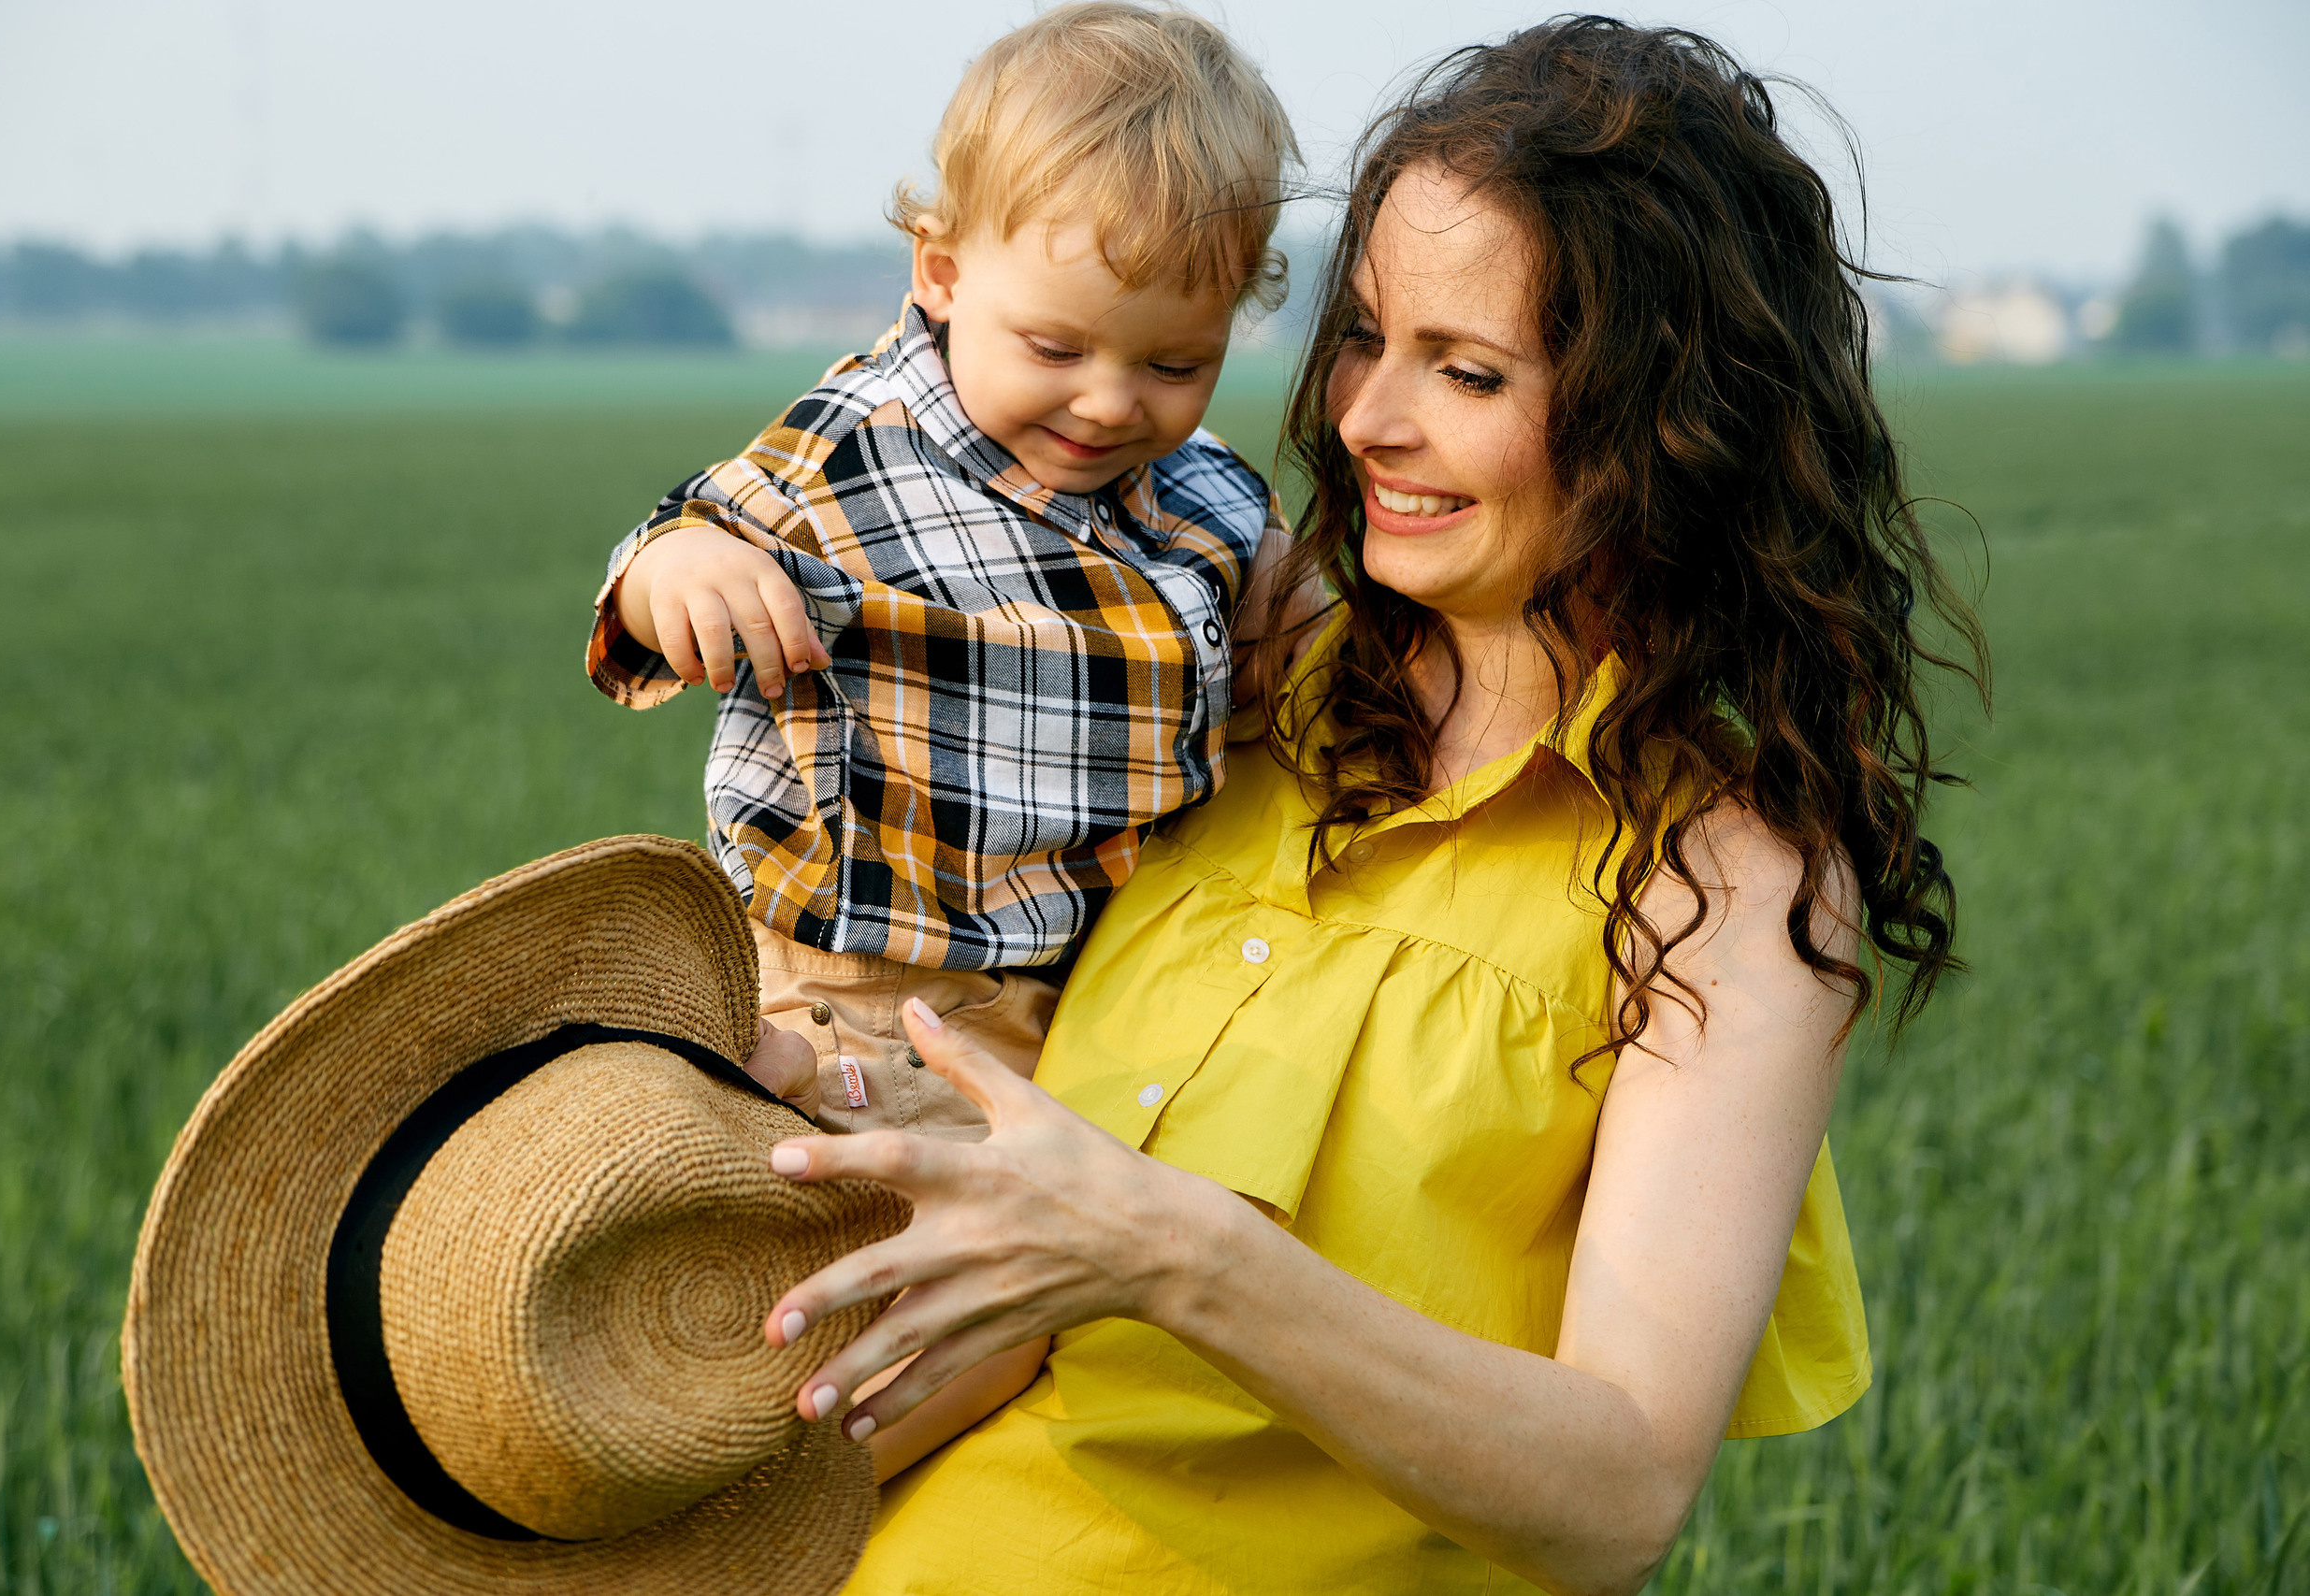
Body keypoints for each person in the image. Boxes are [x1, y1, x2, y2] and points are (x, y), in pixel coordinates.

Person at [753, 18, 1985, 1595]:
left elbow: (1615, 1491)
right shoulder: (1228, 685)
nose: (1365, 421)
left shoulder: (1724, 887)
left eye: (1464, 371)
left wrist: (1171, 1250)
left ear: (1660, 423)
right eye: (1364, 340)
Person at [587, 0, 1297, 1158]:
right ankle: (754, 1075)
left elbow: (1295, 658)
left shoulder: (1209, 497)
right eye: (1057, 350)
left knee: (1064, 1261)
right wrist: (682, 566)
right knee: (904, 1250)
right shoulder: (858, 444)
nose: (1113, 401)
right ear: (945, 273)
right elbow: (676, 546)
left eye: (1177, 363)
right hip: (866, 979)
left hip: (1107, 975)